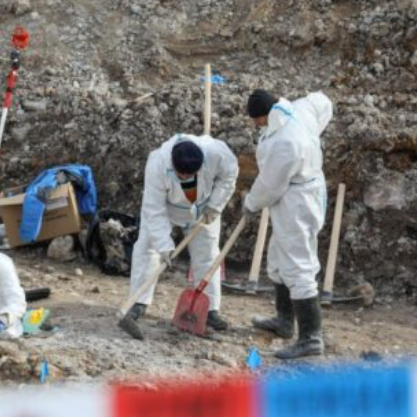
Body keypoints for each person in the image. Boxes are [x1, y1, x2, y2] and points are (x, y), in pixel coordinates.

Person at [120, 134, 239, 340]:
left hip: (202, 209)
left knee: (208, 254)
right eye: (181, 174)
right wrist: (165, 245)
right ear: (173, 165)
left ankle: (209, 310)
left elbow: (229, 176)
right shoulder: (157, 163)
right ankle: (137, 303)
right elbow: (154, 208)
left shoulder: (217, 153)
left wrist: (215, 204)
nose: (185, 178)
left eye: (190, 175)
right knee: (147, 248)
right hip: (166, 208)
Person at [243, 89, 333, 359]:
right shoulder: (301, 108)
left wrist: (250, 203)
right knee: (278, 258)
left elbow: (271, 183)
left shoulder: (285, 142)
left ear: (265, 115)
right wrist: (315, 133)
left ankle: (310, 337)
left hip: (298, 200)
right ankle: (284, 321)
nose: (256, 125)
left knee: (297, 264)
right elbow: (323, 101)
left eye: (257, 120)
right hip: (297, 192)